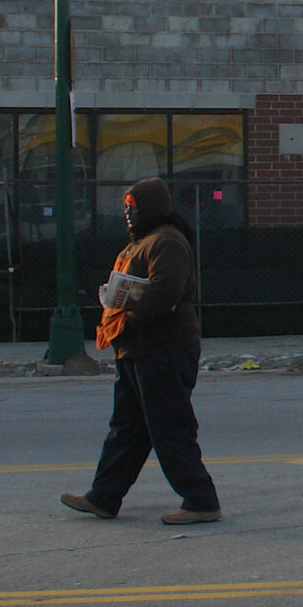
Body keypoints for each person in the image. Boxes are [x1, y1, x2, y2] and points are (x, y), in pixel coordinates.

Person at [61, 177, 222, 525]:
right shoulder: (139, 245)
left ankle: (201, 499)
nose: (127, 214)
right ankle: (104, 496)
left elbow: (166, 293)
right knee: (128, 428)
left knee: (169, 426)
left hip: (164, 350)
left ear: (150, 208)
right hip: (135, 351)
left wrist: (128, 318)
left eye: (133, 207)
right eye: (125, 208)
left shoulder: (167, 242)